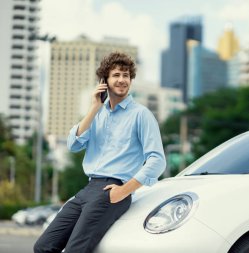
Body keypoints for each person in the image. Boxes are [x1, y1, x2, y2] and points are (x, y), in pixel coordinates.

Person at [34, 52, 166, 253]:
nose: (122, 80)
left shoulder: (141, 115)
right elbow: (73, 144)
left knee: (75, 250)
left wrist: (124, 190)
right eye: (116, 75)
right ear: (104, 80)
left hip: (112, 191)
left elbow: (157, 160)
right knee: (43, 246)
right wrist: (94, 107)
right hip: (87, 190)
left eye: (126, 75)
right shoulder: (96, 114)